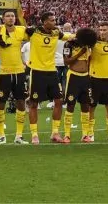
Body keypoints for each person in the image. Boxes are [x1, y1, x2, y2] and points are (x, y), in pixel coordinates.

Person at [25, 11, 73, 144]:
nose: (55, 22)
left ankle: (55, 133)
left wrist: (80, 36)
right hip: (37, 71)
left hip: (52, 72)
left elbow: (68, 37)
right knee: (34, 103)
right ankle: (34, 134)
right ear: (44, 21)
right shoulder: (33, 31)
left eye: (54, 20)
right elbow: (18, 32)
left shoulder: (56, 33)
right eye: (52, 20)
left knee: (58, 101)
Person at [0, 10, 29, 144]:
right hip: (4, 72)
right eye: (8, 16)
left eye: (12, 16)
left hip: (19, 72)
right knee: (1, 103)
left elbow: (35, 37)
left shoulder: (22, 30)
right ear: (3, 19)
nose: (11, 18)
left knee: (21, 102)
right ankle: (1, 135)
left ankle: (19, 136)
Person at [62, 27, 97, 143]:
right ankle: (67, 135)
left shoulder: (87, 45)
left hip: (86, 77)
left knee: (85, 105)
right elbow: (66, 61)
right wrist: (79, 54)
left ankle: (85, 134)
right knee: (70, 105)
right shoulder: (69, 44)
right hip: (73, 76)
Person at [87, 21, 108, 141]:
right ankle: (90, 133)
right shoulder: (93, 42)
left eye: (104, 30)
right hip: (94, 79)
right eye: (100, 30)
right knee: (92, 106)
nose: (102, 32)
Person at [53, 22, 72, 108]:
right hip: (67, 62)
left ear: (63, 28)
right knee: (65, 81)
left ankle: (55, 100)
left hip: (57, 62)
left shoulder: (57, 37)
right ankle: (64, 101)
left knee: (56, 82)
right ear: (70, 28)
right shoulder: (71, 37)